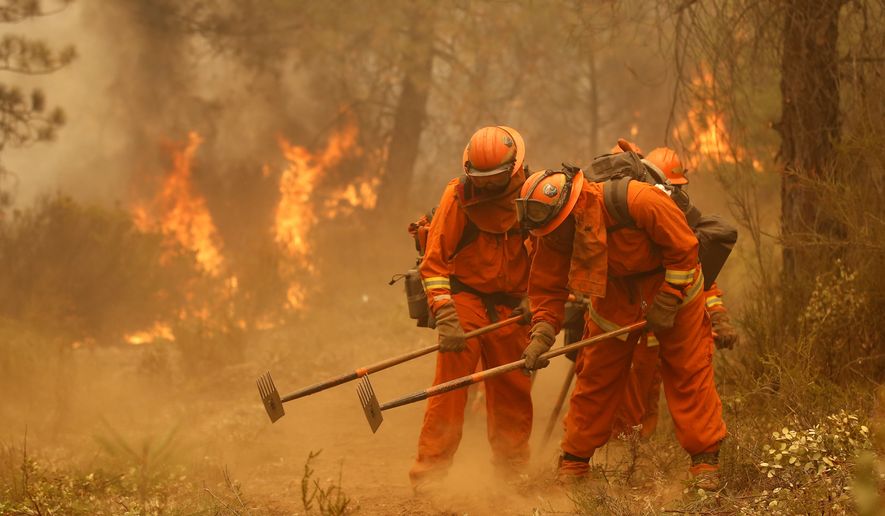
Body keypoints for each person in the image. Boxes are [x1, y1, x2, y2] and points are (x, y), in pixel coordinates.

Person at [516, 159, 727, 490]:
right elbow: (546, 287)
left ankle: (705, 462)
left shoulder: (640, 201)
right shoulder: (552, 233)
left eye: (557, 231)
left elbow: (686, 251)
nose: (554, 240)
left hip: (675, 287)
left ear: (573, 209)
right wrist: (542, 333)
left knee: (689, 373)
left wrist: (669, 298)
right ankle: (574, 461)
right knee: (595, 379)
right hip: (614, 297)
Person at [410, 126, 534, 491]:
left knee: (512, 384)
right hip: (465, 297)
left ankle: (512, 471)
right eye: (481, 178)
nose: (488, 186)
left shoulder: (533, 194)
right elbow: (433, 264)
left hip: (513, 305)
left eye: (495, 178)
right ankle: (430, 472)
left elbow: (548, 254)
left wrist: (537, 299)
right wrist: (446, 314)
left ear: (513, 169)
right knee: (452, 382)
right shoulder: (458, 196)